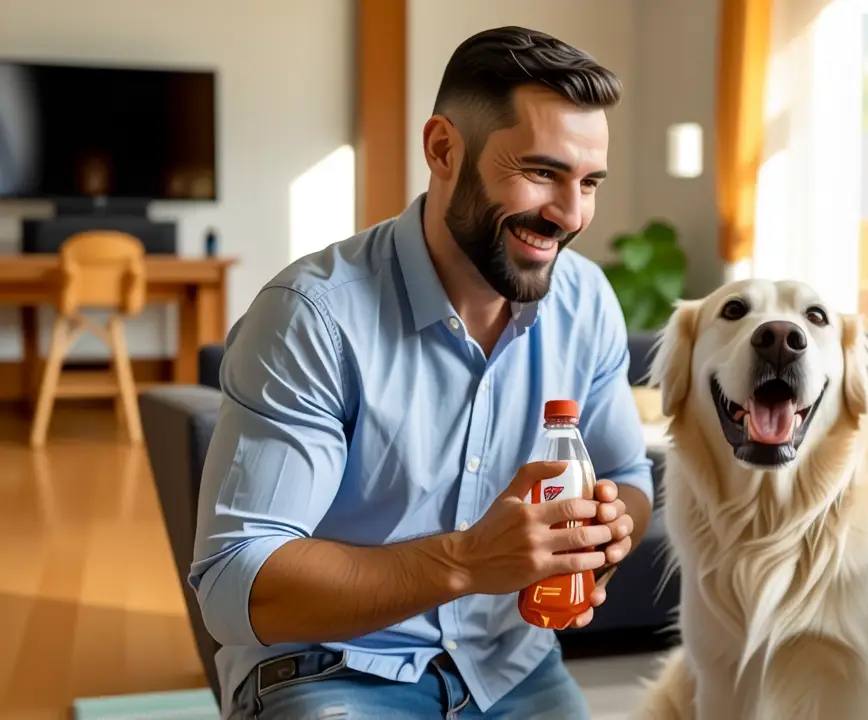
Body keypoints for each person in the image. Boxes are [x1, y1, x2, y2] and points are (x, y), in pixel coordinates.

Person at [191, 26, 653, 719]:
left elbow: (631, 477)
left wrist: (604, 537)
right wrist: (466, 561)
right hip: (331, 669)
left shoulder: (586, 302)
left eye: (587, 182)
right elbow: (235, 583)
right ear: (442, 149)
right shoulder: (311, 318)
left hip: (512, 667)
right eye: (541, 173)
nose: (570, 214)